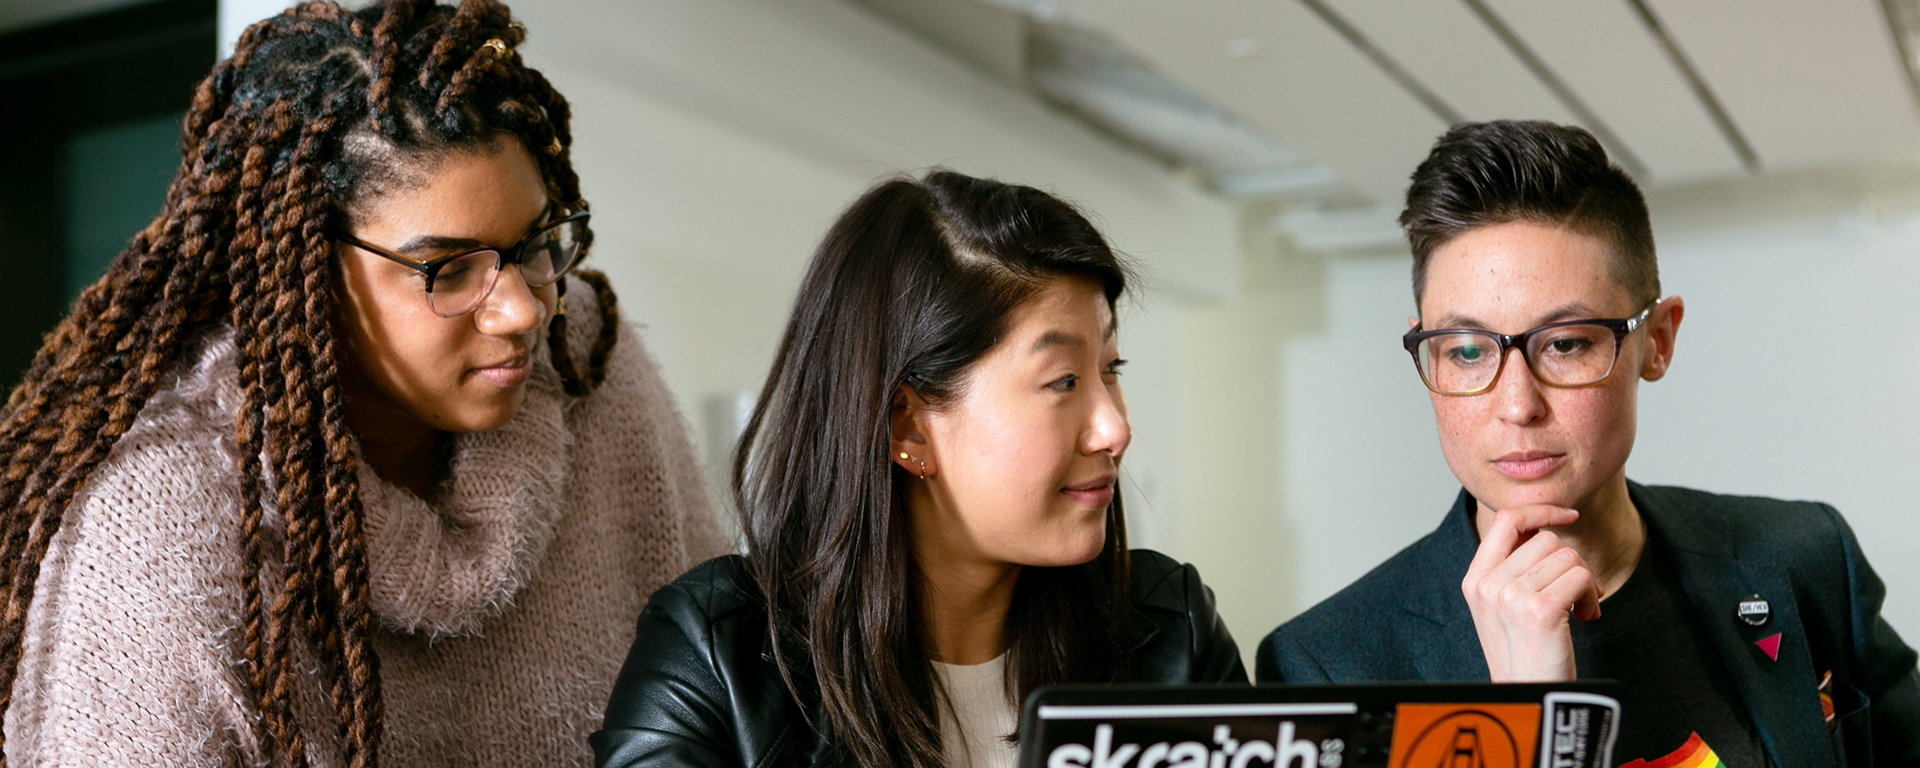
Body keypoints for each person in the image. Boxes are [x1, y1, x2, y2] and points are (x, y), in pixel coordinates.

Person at [0, 1, 728, 765]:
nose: (522, 311)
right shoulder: (163, 517)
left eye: (535, 243)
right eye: (449, 269)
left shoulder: (587, 364)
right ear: (308, 269)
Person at [1256, 120, 1919, 765]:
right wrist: (1537, 728)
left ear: (1656, 340)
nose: (1517, 405)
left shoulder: (1802, 556)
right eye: (1464, 351)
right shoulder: (1329, 669)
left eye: (1567, 344)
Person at [592, 170, 1246, 768]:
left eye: (1111, 371)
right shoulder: (712, 658)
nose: (1115, 428)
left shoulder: (1172, 632)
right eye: (1064, 380)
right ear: (907, 427)